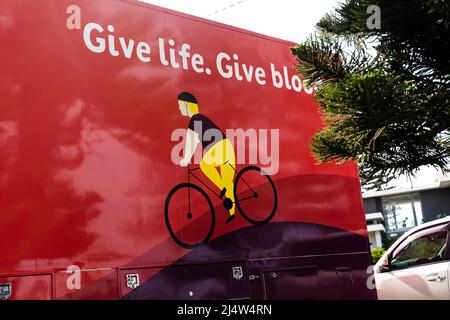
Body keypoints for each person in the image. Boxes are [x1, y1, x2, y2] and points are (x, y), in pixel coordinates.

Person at [177, 92, 236, 224]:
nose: (179, 108)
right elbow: (195, 141)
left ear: (187, 105)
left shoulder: (195, 119)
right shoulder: (199, 119)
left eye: (180, 105)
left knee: (205, 165)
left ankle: (223, 189)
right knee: (228, 182)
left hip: (219, 148)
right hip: (227, 148)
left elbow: (191, 142)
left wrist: (186, 159)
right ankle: (232, 212)